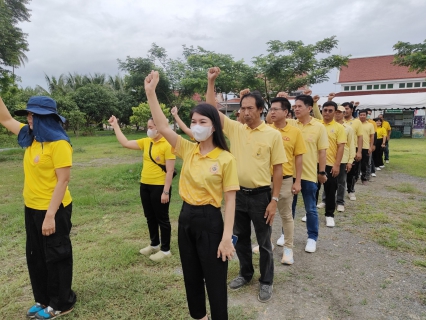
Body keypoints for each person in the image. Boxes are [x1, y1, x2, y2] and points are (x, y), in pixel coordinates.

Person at [144, 70, 238, 320]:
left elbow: (230, 201)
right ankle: (199, 316)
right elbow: (163, 126)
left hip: (211, 221)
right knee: (192, 276)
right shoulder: (188, 149)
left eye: (202, 122)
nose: (196, 127)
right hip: (186, 218)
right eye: (193, 122)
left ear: (214, 126)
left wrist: (227, 237)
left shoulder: (226, 159)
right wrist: (150, 93)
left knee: (215, 280)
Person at [207, 67, 287, 303]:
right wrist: (211, 82)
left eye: (250, 108)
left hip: (262, 195)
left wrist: (274, 201)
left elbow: (278, 169)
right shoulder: (236, 129)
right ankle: (246, 273)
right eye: (242, 108)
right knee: (240, 237)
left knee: (263, 241)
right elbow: (212, 110)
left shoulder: (272, 135)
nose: (245, 112)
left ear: (261, 110)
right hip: (238, 195)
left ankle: (266, 281)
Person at [0, 96, 76, 319]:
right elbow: (5, 118)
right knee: (36, 256)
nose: (29, 118)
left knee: (56, 255)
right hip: (31, 207)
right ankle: (43, 299)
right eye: (28, 115)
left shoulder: (59, 143)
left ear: (46, 117)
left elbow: (63, 181)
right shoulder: (30, 136)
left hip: (54, 209)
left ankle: (62, 302)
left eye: (33, 115)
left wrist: (50, 215)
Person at [108, 116, 176, 262]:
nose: (148, 130)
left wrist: (166, 191)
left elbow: (170, 171)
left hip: (159, 187)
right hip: (145, 185)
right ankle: (154, 244)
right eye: (148, 127)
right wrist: (115, 126)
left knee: (162, 218)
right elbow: (126, 143)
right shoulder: (147, 142)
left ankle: (165, 250)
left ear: (159, 128)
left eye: (151, 127)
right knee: (150, 217)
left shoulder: (168, 144)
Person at [277, 92, 328, 252]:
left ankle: (312, 237)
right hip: (289, 175)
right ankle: (285, 235)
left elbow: (322, 152)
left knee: (310, 208)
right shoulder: (290, 124)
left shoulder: (319, 127)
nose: (296, 109)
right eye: (295, 106)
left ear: (309, 108)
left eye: (299, 106)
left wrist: (321, 172)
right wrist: (282, 99)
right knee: (288, 207)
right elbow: (275, 116)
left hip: (308, 174)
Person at [268, 96, 306, 264]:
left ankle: (288, 249)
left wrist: (297, 181)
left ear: (286, 112)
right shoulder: (266, 129)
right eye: (271, 109)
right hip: (263, 179)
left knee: (286, 215)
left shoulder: (295, 132)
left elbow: (298, 157)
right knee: (264, 214)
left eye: (276, 109)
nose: (272, 112)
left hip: (284, 179)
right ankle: (267, 243)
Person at [314, 101, 346, 227]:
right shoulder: (316, 125)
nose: (327, 113)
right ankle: (311, 212)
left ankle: (329, 215)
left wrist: (337, 165)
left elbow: (341, 147)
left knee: (330, 190)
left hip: (330, 163)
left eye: (330, 110)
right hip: (314, 162)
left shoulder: (339, 128)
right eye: (325, 110)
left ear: (335, 112)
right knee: (313, 190)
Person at [343, 102, 363, 201]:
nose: (345, 111)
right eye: (343, 109)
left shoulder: (357, 122)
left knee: (351, 172)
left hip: (352, 148)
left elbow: (360, 137)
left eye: (347, 108)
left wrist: (359, 151)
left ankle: (351, 191)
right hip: (340, 149)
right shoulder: (338, 121)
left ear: (352, 110)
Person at [358, 110, 375, 185]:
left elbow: (372, 137)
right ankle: (354, 178)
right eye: (361, 115)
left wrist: (371, 147)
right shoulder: (356, 123)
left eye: (364, 115)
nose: (362, 116)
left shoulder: (370, 125)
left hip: (365, 147)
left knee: (364, 164)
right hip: (356, 146)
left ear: (367, 115)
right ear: (359, 115)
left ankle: (364, 178)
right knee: (355, 164)